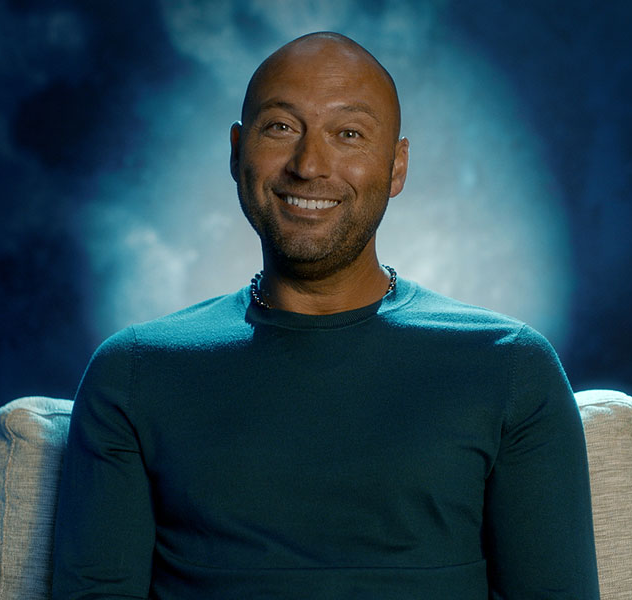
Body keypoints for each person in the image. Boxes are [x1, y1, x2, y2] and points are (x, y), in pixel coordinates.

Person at [52, 32, 599, 599]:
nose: (310, 165)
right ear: (237, 152)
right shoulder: (134, 372)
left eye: (350, 134)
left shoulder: (508, 367)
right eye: (281, 127)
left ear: (396, 167)